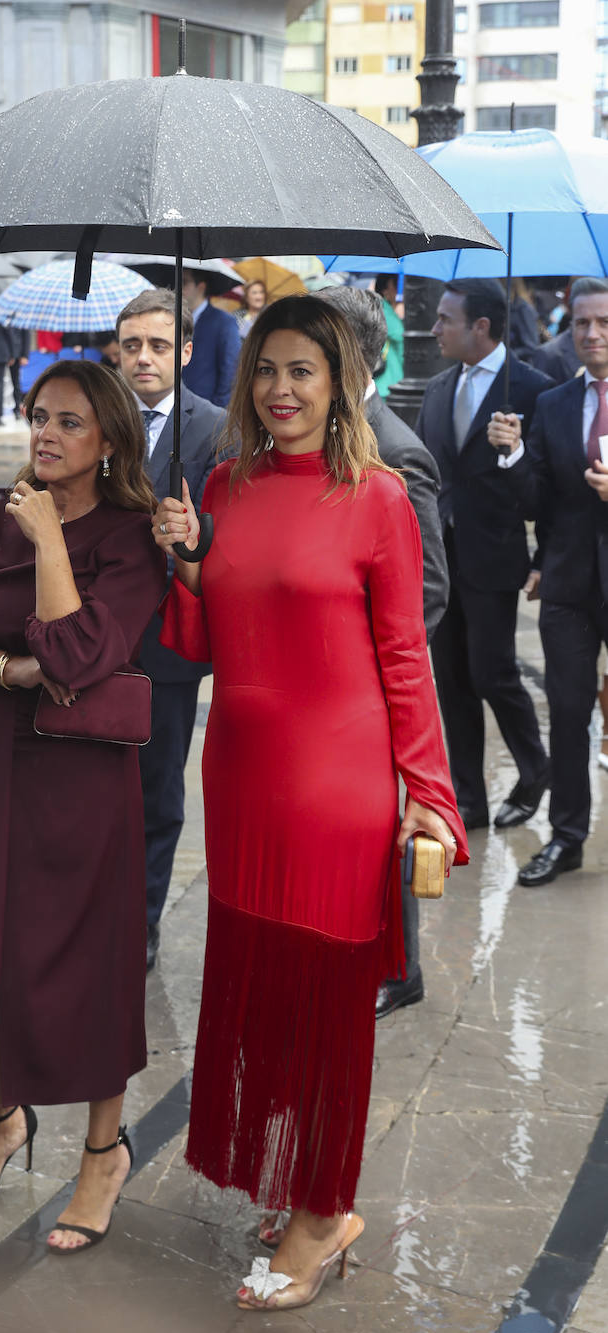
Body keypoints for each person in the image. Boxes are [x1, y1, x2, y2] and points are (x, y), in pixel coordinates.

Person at [152, 295, 467, 1311]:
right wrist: (185, 561)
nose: (280, 390)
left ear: (340, 386)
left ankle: (325, 1212)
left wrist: (430, 792)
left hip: (336, 785)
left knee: (326, 1005)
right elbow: (200, 647)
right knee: (266, 995)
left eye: (302, 371)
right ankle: (299, 1188)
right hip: (240, 777)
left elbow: (405, 657)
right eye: (266, 370)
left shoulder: (374, 496)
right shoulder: (220, 485)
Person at [0, 360, 166, 1254]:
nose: (47, 434)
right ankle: (2, 1122)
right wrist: (5, 671)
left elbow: (77, 655)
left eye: (70, 422)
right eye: (39, 416)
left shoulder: (135, 534)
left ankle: (102, 1152)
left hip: (84, 779)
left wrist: (52, 546)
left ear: (108, 441)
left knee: (89, 959)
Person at [320, 284, 448, 1022]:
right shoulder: (321, 435)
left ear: (358, 353)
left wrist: (360, 662)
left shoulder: (397, 450)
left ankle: (402, 969)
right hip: (330, 688)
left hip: (372, 682)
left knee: (391, 824)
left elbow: (430, 588)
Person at [116, 288, 226, 971]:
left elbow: (224, 540)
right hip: (96, 634)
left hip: (167, 642)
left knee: (157, 792)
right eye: (132, 345)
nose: (144, 358)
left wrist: (188, 539)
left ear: (184, 351)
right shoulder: (94, 418)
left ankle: (143, 920)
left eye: (159, 345)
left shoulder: (214, 429)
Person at [417, 278, 553, 831]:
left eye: (445, 319)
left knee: (492, 673)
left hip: (494, 559)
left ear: (481, 326)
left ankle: (536, 767)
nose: (435, 328)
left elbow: (544, 493)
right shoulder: (437, 387)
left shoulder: (534, 390)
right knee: (451, 681)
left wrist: (514, 450)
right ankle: (468, 799)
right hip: (441, 561)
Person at [490, 277, 608, 885]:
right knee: (566, 712)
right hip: (568, 584)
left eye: (603, 323)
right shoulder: (557, 402)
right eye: (581, 323)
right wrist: (512, 455)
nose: (590, 334)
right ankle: (567, 836)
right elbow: (540, 501)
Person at [181, 269, 241, 408]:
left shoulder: (223, 321)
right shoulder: (173, 320)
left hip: (209, 410)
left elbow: (231, 370)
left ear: (201, 287)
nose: (179, 288)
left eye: (184, 282)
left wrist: (217, 410)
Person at [372, 274, 405, 398]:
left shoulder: (377, 307)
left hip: (382, 382)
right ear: (384, 290)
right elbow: (400, 335)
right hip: (388, 381)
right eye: (395, 285)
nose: (398, 289)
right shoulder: (383, 308)